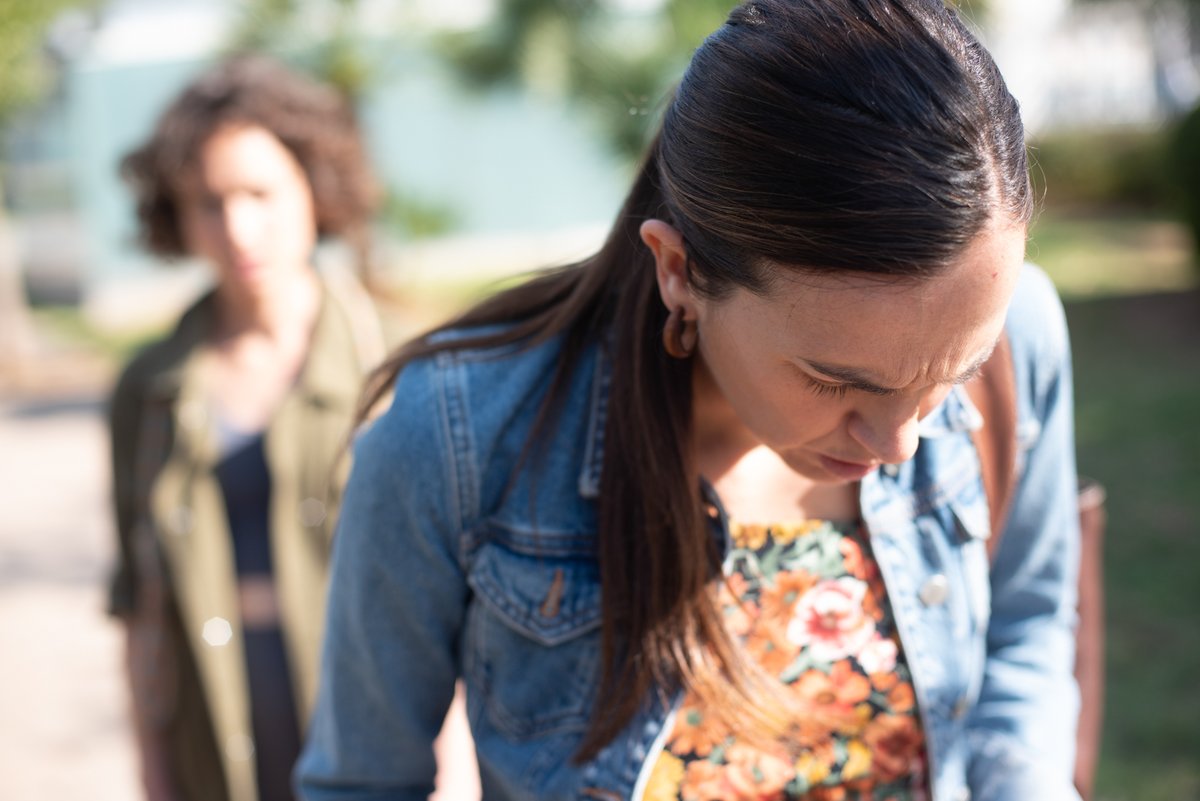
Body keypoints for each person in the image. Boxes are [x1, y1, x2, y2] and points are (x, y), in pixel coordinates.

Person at [297, 1, 1083, 799]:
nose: (899, 442)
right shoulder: (453, 438)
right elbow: (362, 781)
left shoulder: (1025, 340)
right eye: (837, 379)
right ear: (679, 269)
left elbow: (1024, 630)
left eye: (955, 371)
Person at [107, 55, 389, 801]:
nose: (238, 227)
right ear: (175, 212)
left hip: (376, 746)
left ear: (313, 185)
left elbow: (458, 604)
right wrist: (155, 777)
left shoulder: (391, 368)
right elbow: (141, 614)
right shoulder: (148, 391)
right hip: (214, 748)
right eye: (208, 201)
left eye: (259, 192)